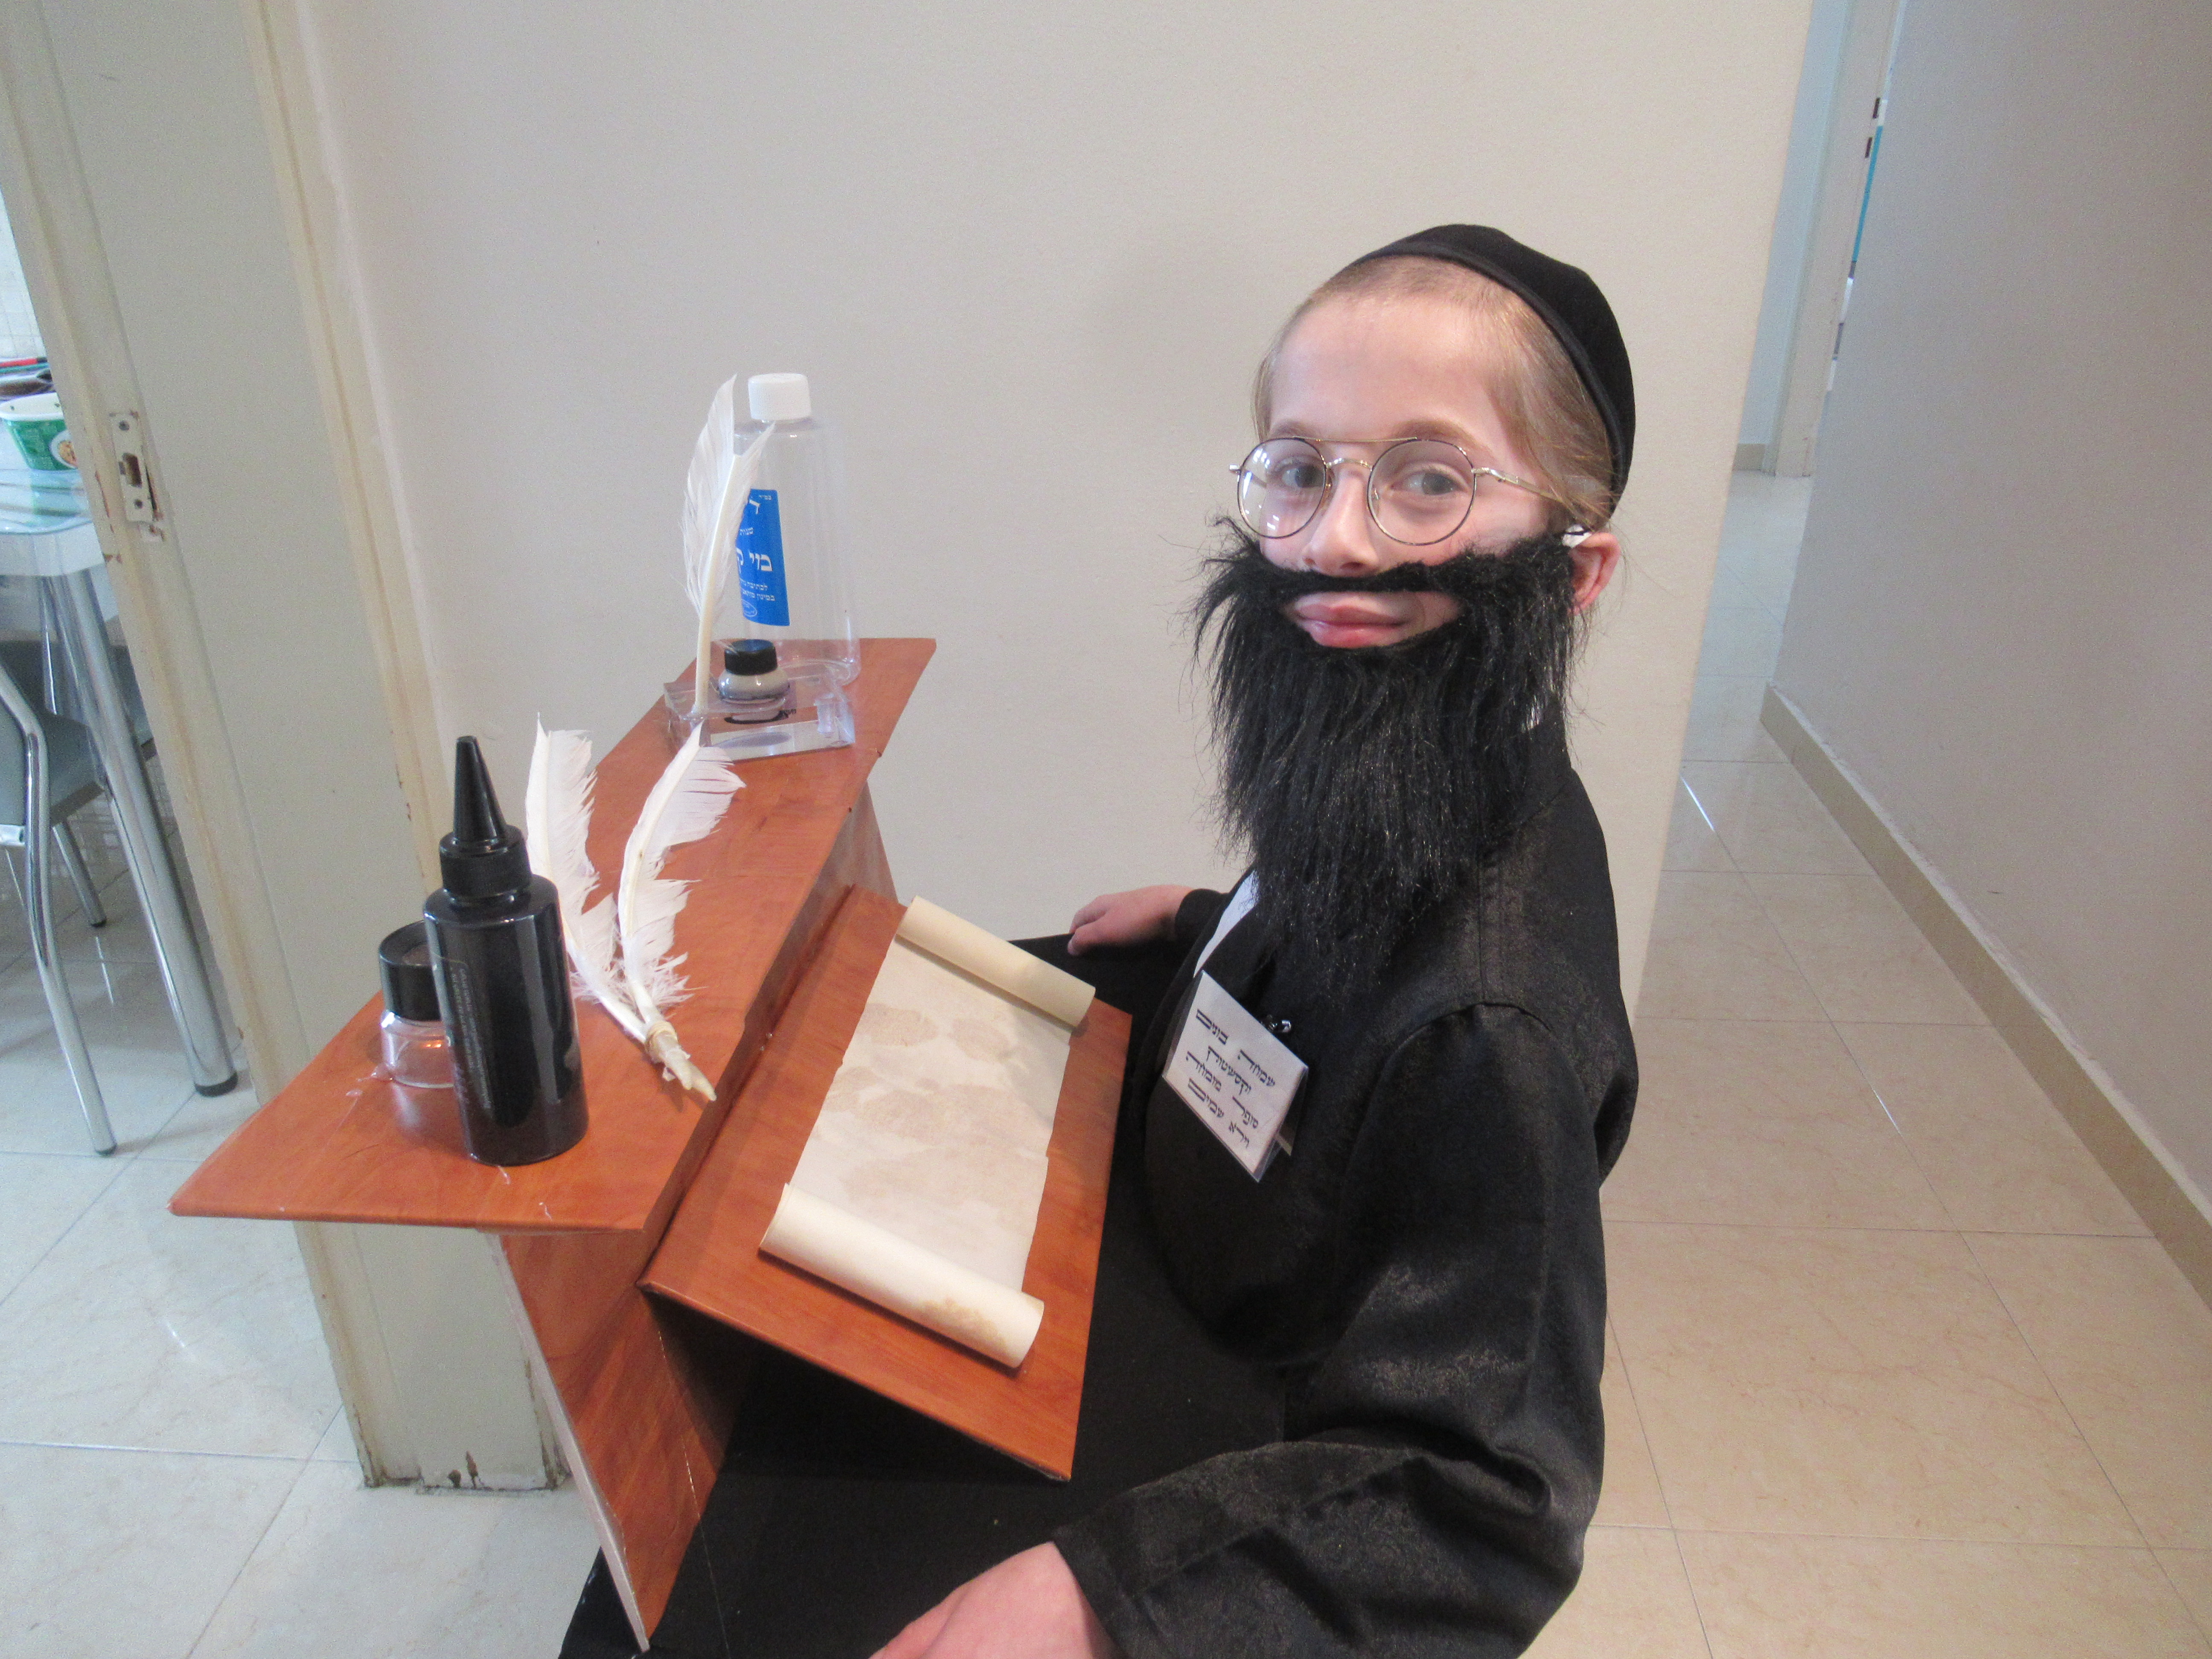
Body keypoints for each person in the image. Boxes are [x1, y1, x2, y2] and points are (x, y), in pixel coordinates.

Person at [872, 225, 1640, 1659]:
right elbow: (1358, 910)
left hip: (1233, 1425)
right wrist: (1216, 920)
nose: (1333, 541)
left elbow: (1485, 1501)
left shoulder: (1494, 1031)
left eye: (1429, 480)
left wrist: (1101, 1599)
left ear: (1576, 569)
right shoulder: (1440, 759)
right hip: (1195, 1247)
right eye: (1299, 469)